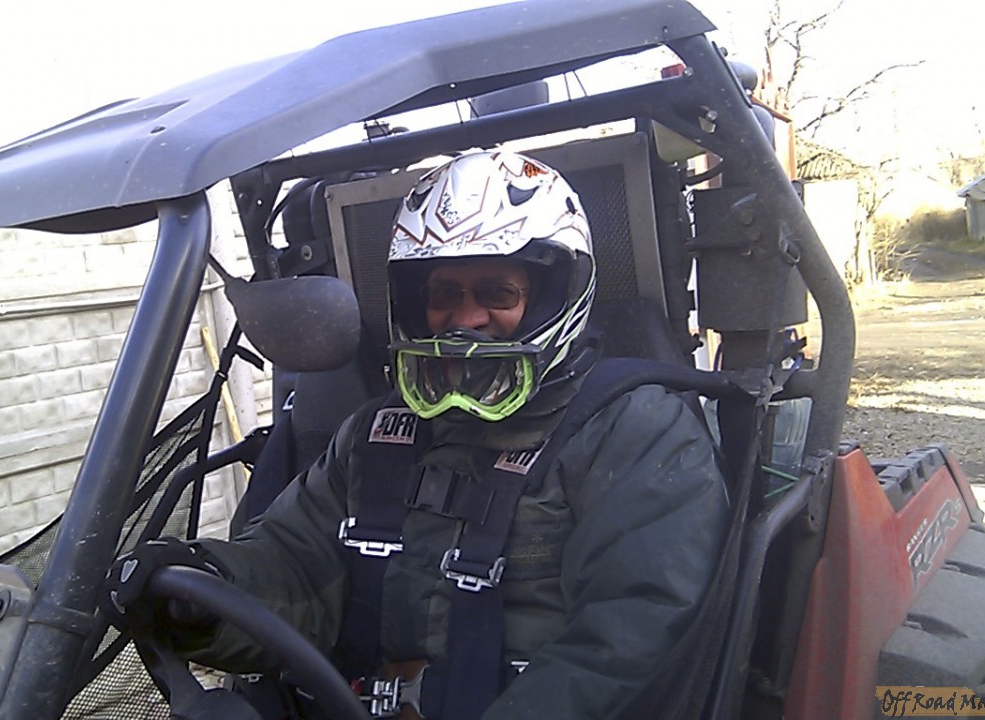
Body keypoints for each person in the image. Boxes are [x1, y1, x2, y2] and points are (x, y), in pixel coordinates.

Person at [104, 151, 729, 719]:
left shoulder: (633, 429)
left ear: (550, 297)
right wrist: (203, 590)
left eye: (498, 292)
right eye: (444, 294)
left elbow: (630, 639)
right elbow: (293, 564)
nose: (466, 318)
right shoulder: (377, 434)